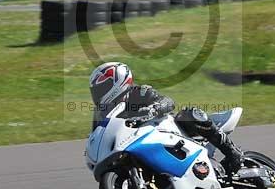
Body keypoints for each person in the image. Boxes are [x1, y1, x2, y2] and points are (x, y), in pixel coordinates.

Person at [88, 61, 245, 174]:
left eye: (103, 88)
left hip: (167, 132)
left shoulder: (138, 92)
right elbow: (98, 132)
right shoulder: (102, 113)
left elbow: (168, 102)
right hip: (136, 145)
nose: (99, 93)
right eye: (97, 90)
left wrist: (154, 108)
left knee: (189, 114)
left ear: (118, 81)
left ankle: (232, 151)